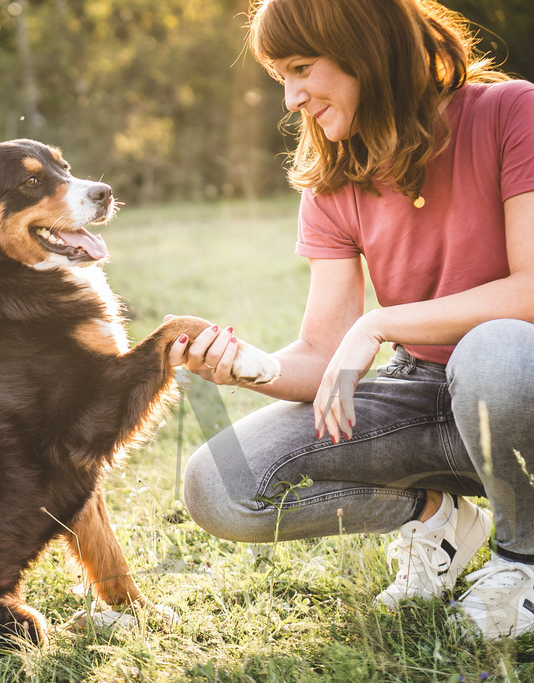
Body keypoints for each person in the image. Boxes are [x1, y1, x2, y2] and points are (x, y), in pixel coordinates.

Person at [171, 0, 534, 640]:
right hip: (427, 397)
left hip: (520, 391)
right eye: (280, 75)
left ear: (365, 47)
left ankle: (524, 559)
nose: (291, 97)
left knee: (496, 349)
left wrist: (380, 324)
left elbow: (529, 291)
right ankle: (435, 516)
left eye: (302, 67)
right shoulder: (334, 182)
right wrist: (251, 367)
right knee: (221, 483)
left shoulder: (511, 113)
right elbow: (319, 350)